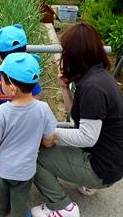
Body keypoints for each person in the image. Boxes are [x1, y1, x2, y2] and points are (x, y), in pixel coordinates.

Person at [31, 23, 123, 217]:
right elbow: (79, 118)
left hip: (103, 167)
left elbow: (87, 136)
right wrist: (65, 88)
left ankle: (61, 207)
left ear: (75, 54)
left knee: (35, 154)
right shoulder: (98, 76)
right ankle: (88, 183)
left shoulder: (93, 89)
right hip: (112, 159)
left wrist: (49, 133)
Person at [0, 52, 57, 217]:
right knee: (20, 199)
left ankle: (2, 214)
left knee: (1, 200)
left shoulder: (2, 112)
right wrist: (49, 142)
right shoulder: (43, 108)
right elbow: (49, 138)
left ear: (12, 87)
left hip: (2, 169)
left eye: (2, 79)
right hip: (25, 170)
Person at [0, 24, 42, 110]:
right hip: (26, 118)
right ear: (25, 51)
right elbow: (36, 96)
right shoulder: (28, 73)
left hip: (0, 120)